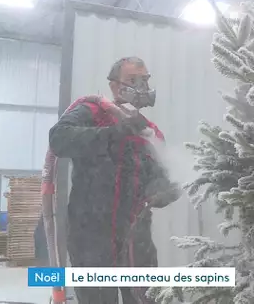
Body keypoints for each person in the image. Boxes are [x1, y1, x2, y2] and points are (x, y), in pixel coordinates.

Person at [48, 56, 181, 304]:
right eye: (132, 80)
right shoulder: (93, 111)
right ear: (114, 86)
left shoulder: (150, 132)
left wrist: (165, 190)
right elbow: (59, 138)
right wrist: (114, 132)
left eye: (145, 80)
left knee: (145, 299)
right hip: (92, 238)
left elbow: (161, 176)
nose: (141, 86)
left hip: (136, 240)